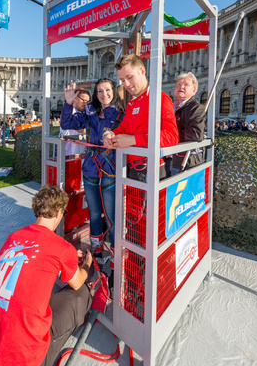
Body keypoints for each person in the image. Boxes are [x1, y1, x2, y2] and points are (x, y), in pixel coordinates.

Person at [0, 185, 92, 366]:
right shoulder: (62, 248)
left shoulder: (14, 238)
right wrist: (87, 263)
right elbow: (78, 280)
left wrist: (67, 257)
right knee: (80, 294)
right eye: (64, 212)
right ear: (59, 212)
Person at [60, 79, 123, 257]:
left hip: (110, 169)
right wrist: (68, 102)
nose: (104, 94)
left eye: (108, 90)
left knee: (111, 216)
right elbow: (66, 124)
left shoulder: (121, 114)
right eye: (100, 91)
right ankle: (97, 248)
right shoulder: (89, 113)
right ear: (96, 94)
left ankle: (116, 253)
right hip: (90, 168)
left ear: (113, 92)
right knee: (94, 213)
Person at [103, 54, 179, 181]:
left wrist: (134, 140)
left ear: (142, 71)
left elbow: (171, 136)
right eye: (122, 80)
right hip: (131, 168)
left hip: (149, 170)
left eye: (129, 77)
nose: (126, 84)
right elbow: (123, 128)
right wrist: (109, 134)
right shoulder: (132, 103)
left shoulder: (160, 98)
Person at [172, 72, 205, 174]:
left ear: (193, 90)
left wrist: (170, 136)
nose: (181, 87)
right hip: (168, 159)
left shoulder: (197, 108)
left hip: (186, 161)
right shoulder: (170, 106)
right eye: (179, 85)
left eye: (186, 85)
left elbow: (196, 134)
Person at [60, 88, 90, 156]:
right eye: (83, 100)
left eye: (87, 102)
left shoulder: (81, 113)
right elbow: (67, 123)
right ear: (75, 98)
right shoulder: (68, 113)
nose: (85, 104)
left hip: (81, 156)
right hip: (70, 155)